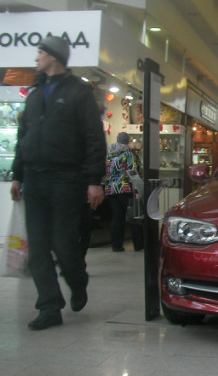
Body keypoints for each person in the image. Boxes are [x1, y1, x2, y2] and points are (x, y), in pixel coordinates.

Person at [10, 36, 106, 330]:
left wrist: (94, 181)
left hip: (66, 179)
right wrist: (17, 174)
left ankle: (78, 281)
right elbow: (23, 138)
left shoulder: (79, 92)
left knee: (64, 245)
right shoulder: (35, 93)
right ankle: (49, 307)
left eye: (40, 52)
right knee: (38, 248)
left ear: (53, 56)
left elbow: (94, 138)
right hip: (35, 178)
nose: (36, 57)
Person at [105, 132, 142, 252]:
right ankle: (138, 244)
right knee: (132, 216)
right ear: (127, 141)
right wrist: (138, 189)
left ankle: (116, 245)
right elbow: (133, 172)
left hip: (111, 189)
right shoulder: (129, 153)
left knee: (117, 216)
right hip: (125, 188)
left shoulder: (109, 153)